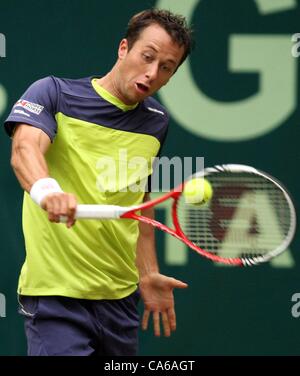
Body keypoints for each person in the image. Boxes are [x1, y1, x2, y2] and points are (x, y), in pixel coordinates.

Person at [4, 8, 193, 356]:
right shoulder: (53, 93)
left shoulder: (156, 123)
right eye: (146, 57)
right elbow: (25, 149)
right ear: (124, 49)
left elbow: (140, 207)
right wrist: (48, 192)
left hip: (120, 303)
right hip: (56, 299)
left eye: (166, 67)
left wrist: (148, 274)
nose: (152, 73)